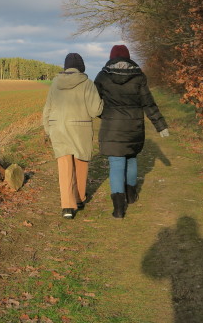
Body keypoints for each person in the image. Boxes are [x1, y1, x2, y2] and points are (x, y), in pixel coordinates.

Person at [94, 45, 169, 218]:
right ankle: (132, 196)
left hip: (112, 127)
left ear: (111, 57)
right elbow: (148, 103)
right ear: (128, 58)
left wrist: (103, 116)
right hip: (134, 127)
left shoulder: (102, 76)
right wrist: (161, 125)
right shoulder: (138, 76)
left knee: (116, 164)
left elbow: (94, 102)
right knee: (131, 158)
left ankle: (119, 209)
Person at [43, 53, 103, 219]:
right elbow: (95, 110)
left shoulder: (55, 83)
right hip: (80, 128)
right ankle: (79, 198)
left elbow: (47, 108)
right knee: (81, 162)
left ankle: (67, 207)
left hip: (58, 128)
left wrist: (48, 129)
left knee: (64, 166)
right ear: (81, 67)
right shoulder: (88, 84)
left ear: (65, 67)